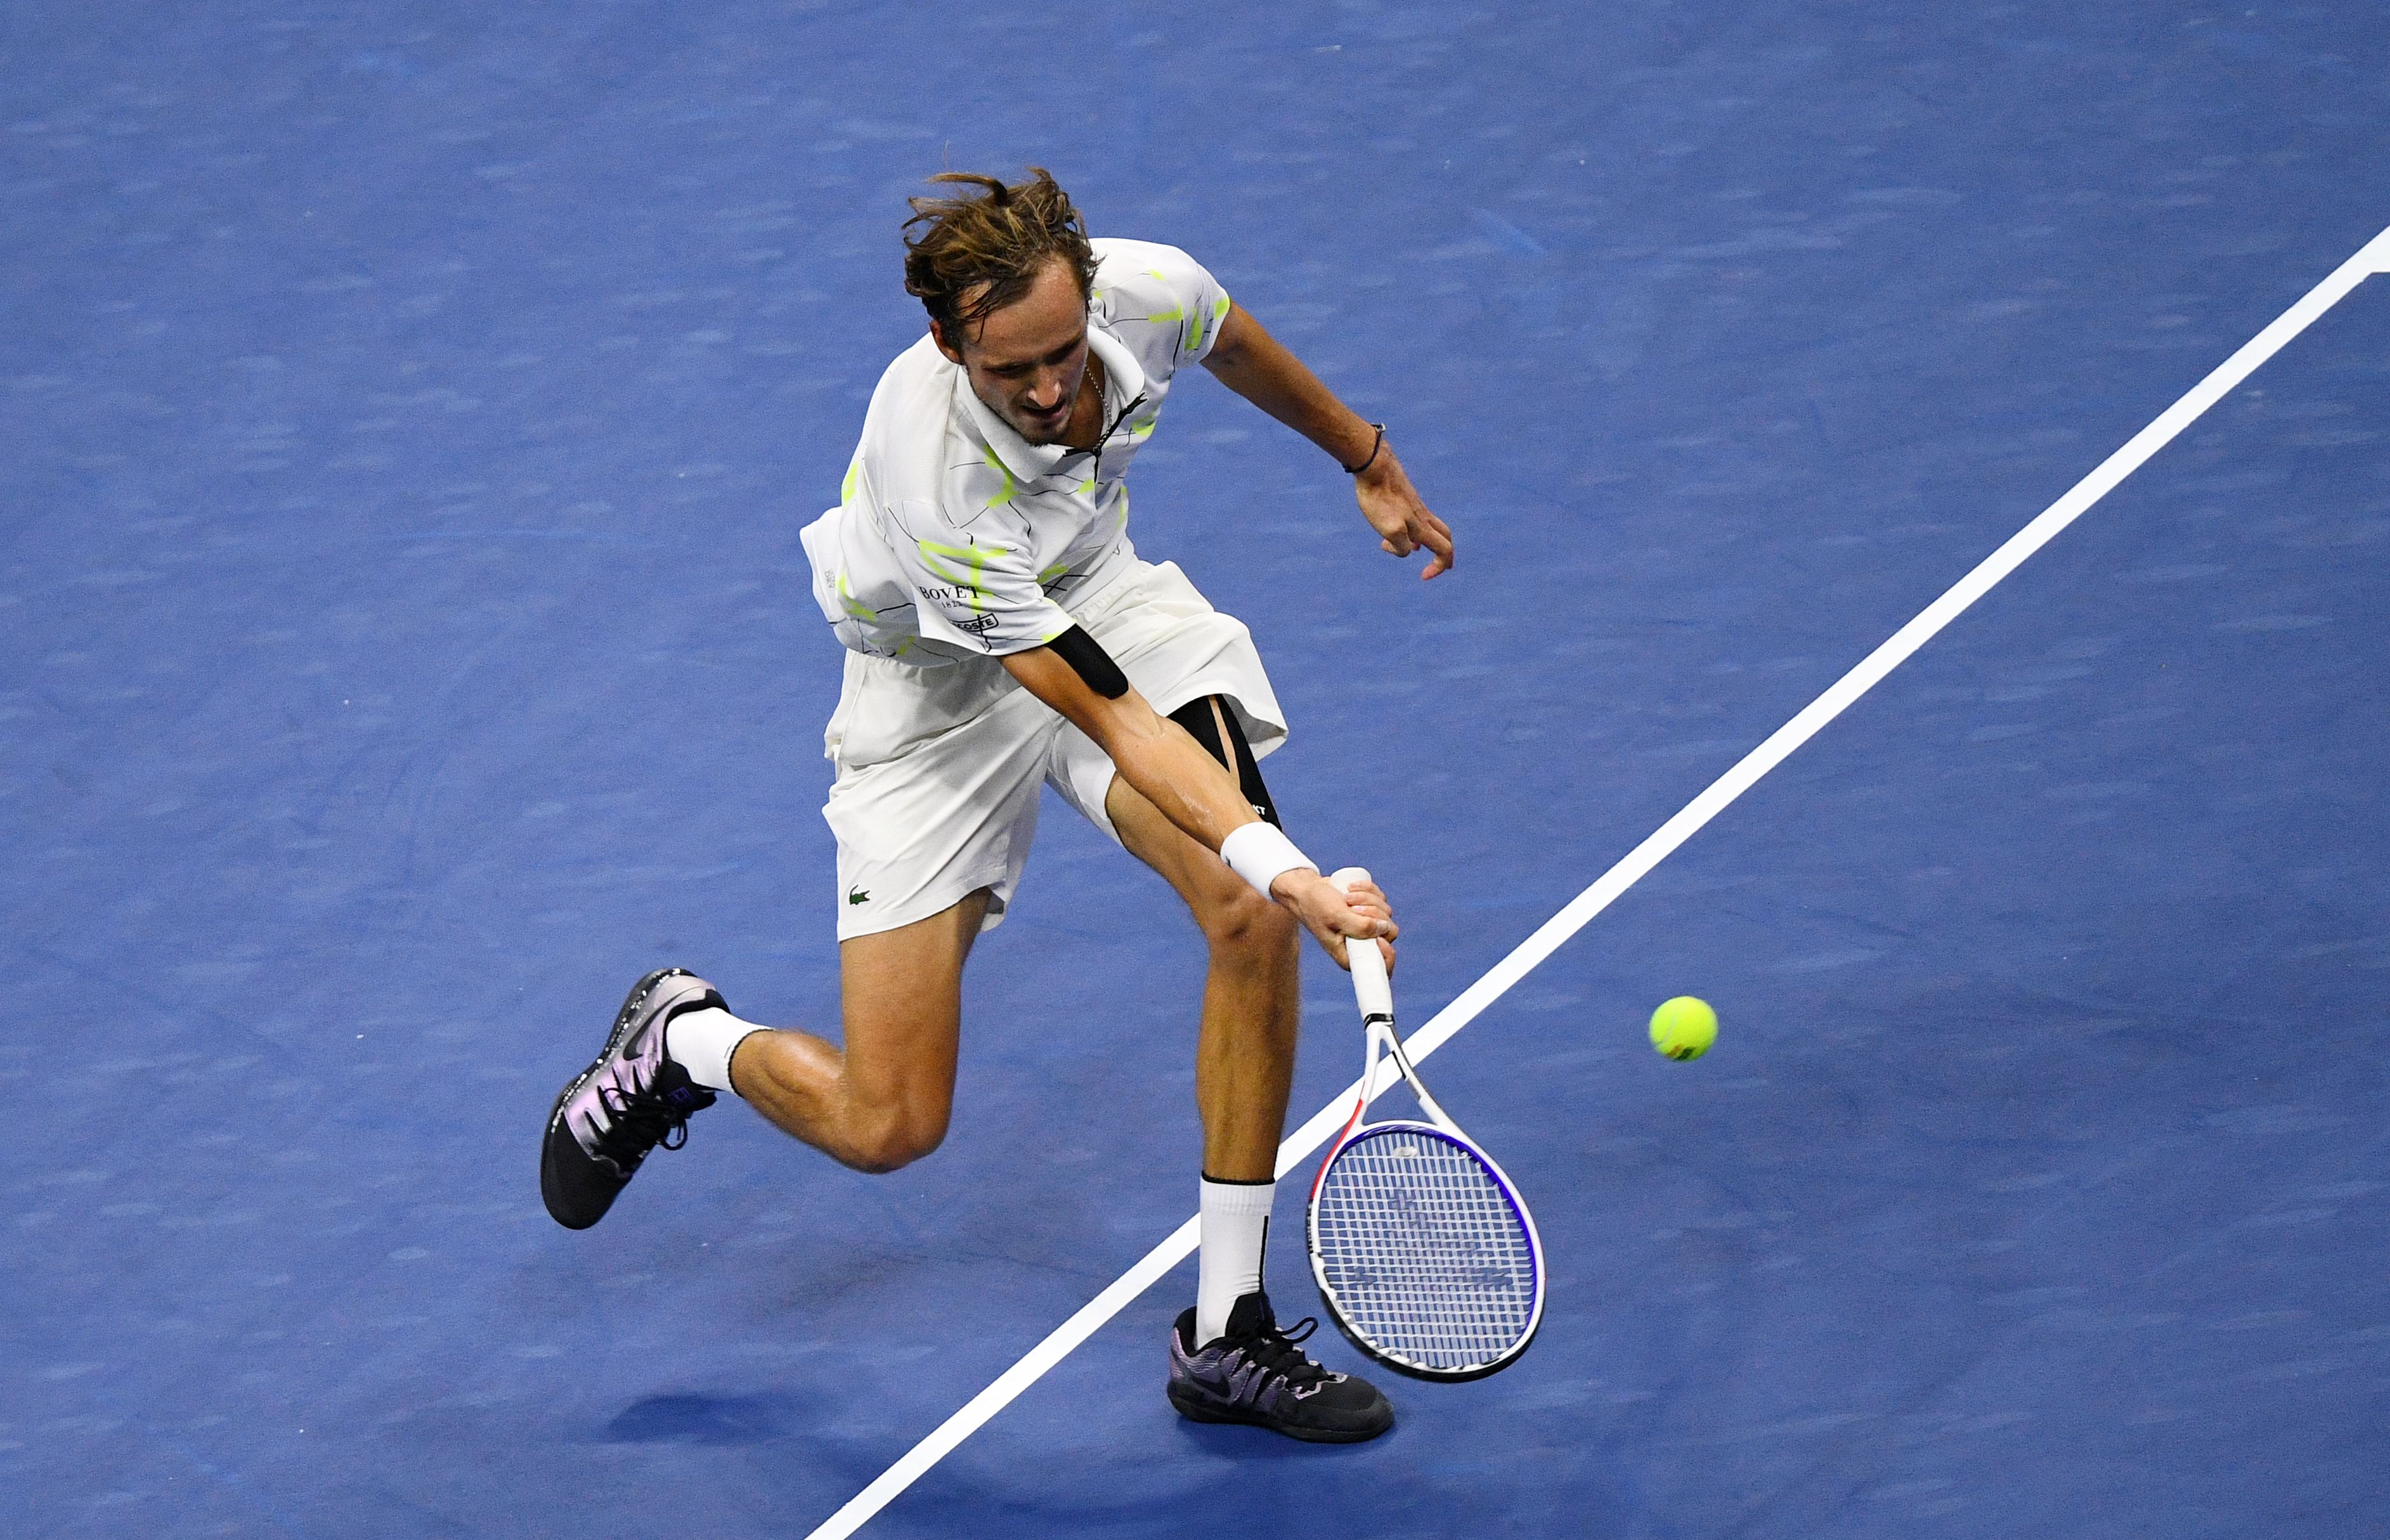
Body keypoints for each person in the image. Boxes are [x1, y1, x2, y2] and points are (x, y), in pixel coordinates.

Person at [540, 167, 1454, 1444]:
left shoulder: (1148, 293)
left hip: (1095, 596)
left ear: (1091, 298)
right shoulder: (937, 485)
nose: (1044, 392)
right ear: (945, 343)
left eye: (1062, 356)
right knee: (888, 1124)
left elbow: (1235, 344)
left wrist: (1367, 456)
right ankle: (681, 1041)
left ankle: (1228, 1331)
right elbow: (1115, 723)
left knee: (1241, 919)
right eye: (1007, 370)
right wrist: (1284, 861)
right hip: (938, 693)